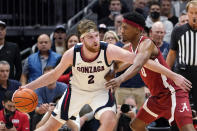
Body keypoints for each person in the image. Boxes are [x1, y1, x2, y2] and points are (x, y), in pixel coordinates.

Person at [19, 19, 190, 131]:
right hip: (77, 91)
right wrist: (27, 87)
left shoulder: (108, 49)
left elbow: (143, 61)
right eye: (90, 37)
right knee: (50, 127)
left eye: (95, 35)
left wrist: (172, 74)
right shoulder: (73, 53)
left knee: (109, 120)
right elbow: (54, 75)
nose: (94, 40)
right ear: (81, 39)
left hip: (99, 92)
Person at [105, 12, 195, 131]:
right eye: (121, 27)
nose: (121, 31)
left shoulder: (146, 43)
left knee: (187, 129)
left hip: (172, 92)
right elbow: (116, 66)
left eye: (125, 28)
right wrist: (106, 71)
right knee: (136, 126)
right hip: (157, 98)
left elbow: (138, 64)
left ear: (137, 30)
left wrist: (120, 79)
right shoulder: (129, 48)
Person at [166, 0, 197, 113]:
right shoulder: (178, 31)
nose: (194, 16)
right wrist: (166, 75)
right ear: (187, 13)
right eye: (191, 12)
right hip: (183, 73)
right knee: (180, 106)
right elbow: (172, 54)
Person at [31, 66, 67, 130]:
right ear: (43, 78)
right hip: (46, 114)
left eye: (51, 75)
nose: (49, 78)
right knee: (36, 115)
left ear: (56, 76)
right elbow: (36, 108)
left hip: (61, 113)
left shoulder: (64, 87)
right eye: (47, 76)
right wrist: (41, 109)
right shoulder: (38, 89)